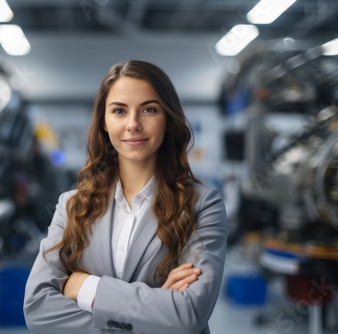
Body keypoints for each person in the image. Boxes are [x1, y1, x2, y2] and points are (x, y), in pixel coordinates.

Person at [23, 60, 228, 334]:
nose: (133, 124)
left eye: (149, 110)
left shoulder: (202, 205)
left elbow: (188, 315)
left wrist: (86, 286)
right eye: (119, 110)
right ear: (104, 123)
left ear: (168, 120)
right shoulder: (72, 206)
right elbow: (37, 309)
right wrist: (154, 314)